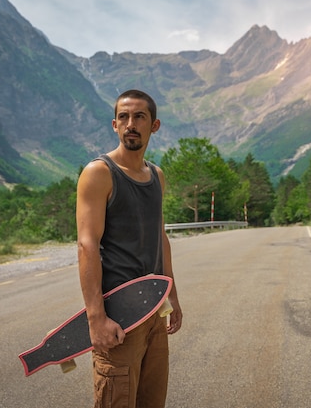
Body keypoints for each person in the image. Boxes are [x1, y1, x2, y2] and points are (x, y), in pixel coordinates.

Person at [76, 89, 182, 408]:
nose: (130, 124)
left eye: (139, 117)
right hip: (119, 314)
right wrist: (96, 318)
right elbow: (86, 245)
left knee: (152, 401)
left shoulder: (156, 176)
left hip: (153, 309)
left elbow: (159, 237)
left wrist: (172, 294)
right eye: (123, 117)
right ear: (114, 124)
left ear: (155, 125)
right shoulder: (99, 173)